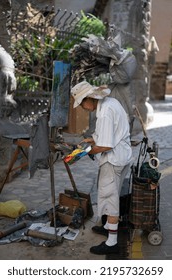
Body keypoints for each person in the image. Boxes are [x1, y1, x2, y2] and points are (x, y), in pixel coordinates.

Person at [71, 80, 132, 255]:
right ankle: (108, 227)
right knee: (110, 194)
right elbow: (111, 132)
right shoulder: (111, 102)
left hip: (113, 160)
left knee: (110, 198)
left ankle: (112, 242)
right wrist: (93, 139)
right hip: (122, 156)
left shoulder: (104, 112)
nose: (82, 106)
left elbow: (106, 146)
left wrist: (83, 153)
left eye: (82, 102)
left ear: (90, 98)